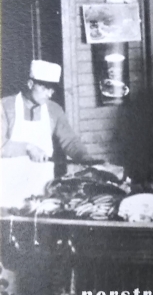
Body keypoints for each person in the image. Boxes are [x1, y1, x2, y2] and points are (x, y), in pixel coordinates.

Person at [1, 60, 98, 207]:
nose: (50, 94)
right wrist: (28, 147)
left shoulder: (54, 110)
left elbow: (70, 141)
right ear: (30, 84)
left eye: (52, 90)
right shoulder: (6, 106)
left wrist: (86, 159)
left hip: (42, 192)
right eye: (46, 88)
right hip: (9, 194)